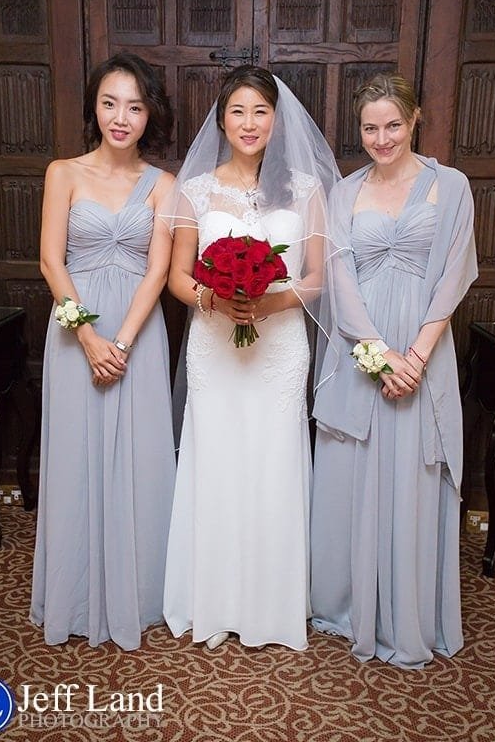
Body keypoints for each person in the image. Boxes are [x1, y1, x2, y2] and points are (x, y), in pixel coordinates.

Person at [162, 65, 340, 650]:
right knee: (216, 458)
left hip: (280, 345)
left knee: (273, 459)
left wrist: (270, 302)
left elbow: (316, 278)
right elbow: (177, 276)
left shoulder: (307, 190)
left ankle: (271, 604)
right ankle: (213, 598)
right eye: (237, 111)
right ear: (221, 119)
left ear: (276, 119)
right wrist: (214, 296)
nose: (249, 123)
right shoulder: (195, 191)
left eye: (260, 111)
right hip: (214, 345)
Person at [311, 72, 478, 668]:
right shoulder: (344, 192)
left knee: (412, 473)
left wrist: (417, 355)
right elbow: (339, 278)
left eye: (393, 125)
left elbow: (455, 274)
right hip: (364, 350)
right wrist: (379, 354)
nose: (381, 138)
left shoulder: (451, 187)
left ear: (414, 121)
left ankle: (409, 609)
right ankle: (350, 604)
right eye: (370, 127)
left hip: (423, 349)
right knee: (354, 472)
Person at [30, 53, 177, 650]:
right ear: (94, 107)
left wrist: (119, 343)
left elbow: (158, 271)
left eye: (135, 107)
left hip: (137, 336)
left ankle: (136, 592)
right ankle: (74, 591)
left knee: (138, 457)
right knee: (74, 456)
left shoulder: (165, 185)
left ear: (150, 115)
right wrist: (87, 336)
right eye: (111, 103)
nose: (121, 117)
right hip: (74, 334)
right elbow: (50, 261)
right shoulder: (62, 172)